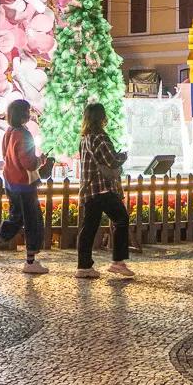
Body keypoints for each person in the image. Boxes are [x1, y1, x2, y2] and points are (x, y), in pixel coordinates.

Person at [0, 98, 52, 274]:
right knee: (33, 222)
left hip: (12, 183)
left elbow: (6, 155)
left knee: (15, 219)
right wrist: (41, 160)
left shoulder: (9, 132)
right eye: (28, 111)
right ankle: (30, 261)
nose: (30, 114)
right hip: (25, 185)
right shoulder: (24, 134)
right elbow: (29, 164)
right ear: (23, 114)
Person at [74, 101, 134, 279]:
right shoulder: (100, 138)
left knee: (89, 227)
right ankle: (118, 262)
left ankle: (83, 266)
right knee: (121, 219)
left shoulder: (85, 139)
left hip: (89, 189)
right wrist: (122, 157)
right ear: (101, 118)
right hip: (102, 189)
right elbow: (112, 161)